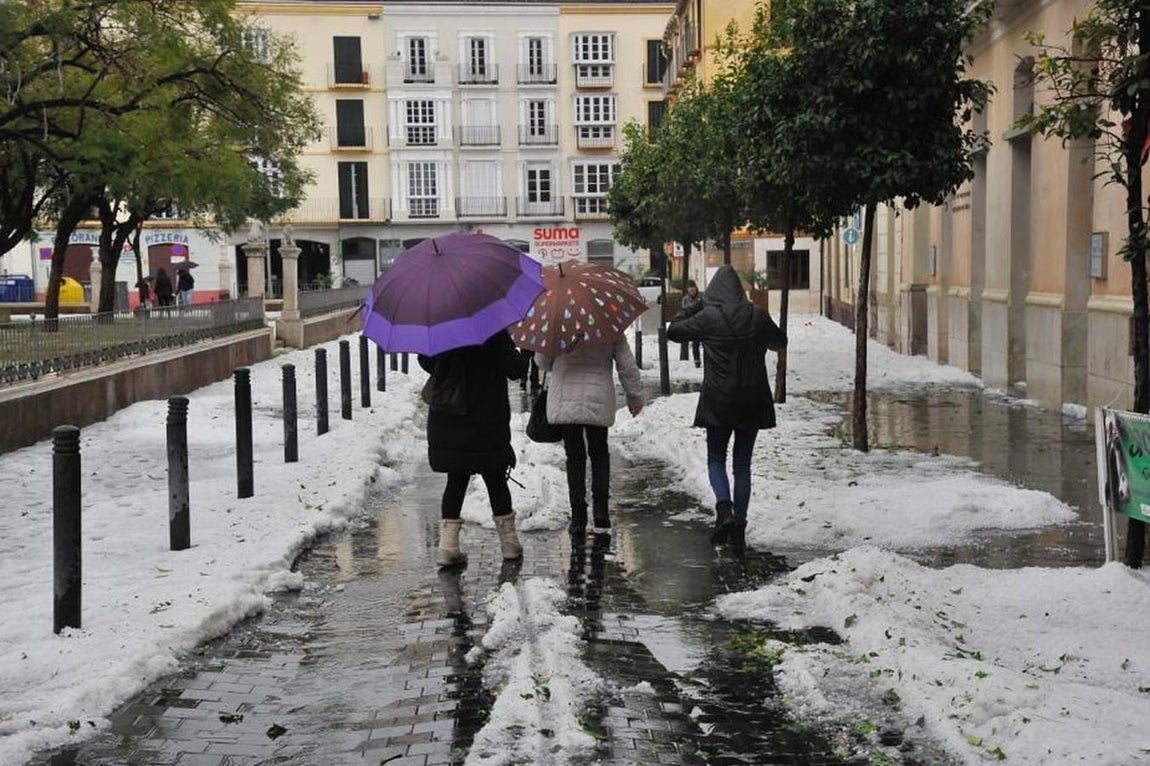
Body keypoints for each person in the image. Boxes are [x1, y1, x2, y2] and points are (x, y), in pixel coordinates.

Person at [666, 265, 787, 554]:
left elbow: (674, 331)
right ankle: (739, 528)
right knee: (742, 464)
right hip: (753, 399)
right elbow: (780, 342)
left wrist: (696, 305)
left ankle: (724, 510)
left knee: (716, 459)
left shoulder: (708, 317)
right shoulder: (756, 315)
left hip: (719, 400)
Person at [418, 330, 528, 568]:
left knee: (456, 479)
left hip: (451, 416)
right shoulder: (492, 330)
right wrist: (522, 352)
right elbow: (516, 369)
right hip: (487, 416)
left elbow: (426, 361)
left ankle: (447, 547)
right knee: (495, 478)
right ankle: (509, 543)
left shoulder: (442, 328)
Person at [536, 337, 644, 534]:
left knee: (574, 457)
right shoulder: (609, 325)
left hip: (565, 397)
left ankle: (578, 516)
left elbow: (543, 362)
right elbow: (626, 365)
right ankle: (601, 511)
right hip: (598, 396)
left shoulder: (558, 323)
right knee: (599, 453)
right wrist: (634, 396)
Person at [680, 280, 702, 367]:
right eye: (690, 290)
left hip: (701, 322)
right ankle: (697, 361)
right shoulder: (685, 299)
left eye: (693, 290)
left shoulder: (701, 297)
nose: (692, 292)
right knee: (695, 343)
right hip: (692, 323)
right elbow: (684, 310)